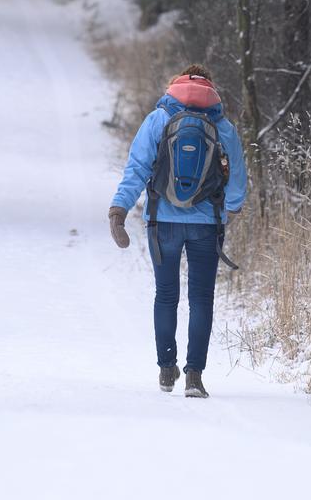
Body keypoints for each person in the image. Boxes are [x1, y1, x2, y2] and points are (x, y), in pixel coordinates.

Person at [107, 64, 247, 397]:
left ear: (176, 84)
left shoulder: (158, 119)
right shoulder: (222, 125)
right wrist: (230, 210)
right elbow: (238, 178)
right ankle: (194, 376)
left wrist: (119, 208)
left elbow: (137, 168)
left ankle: (166, 369)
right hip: (206, 225)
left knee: (166, 295)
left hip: (163, 221)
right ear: (210, 88)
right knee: (201, 299)